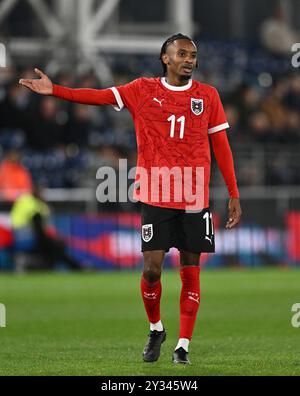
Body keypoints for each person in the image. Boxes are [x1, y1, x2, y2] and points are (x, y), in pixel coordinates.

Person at [19, 33, 242, 364]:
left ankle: (183, 346)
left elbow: (221, 145)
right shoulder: (142, 90)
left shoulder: (207, 96)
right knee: (152, 270)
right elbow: (99, 96)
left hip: (195, 194)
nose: (189, 59)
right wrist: (57, 91)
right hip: (155, 193)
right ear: (165, 58)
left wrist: (233, 193)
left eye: (193, 54)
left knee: (191, 268)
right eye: (181, 53)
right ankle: (156, 328)